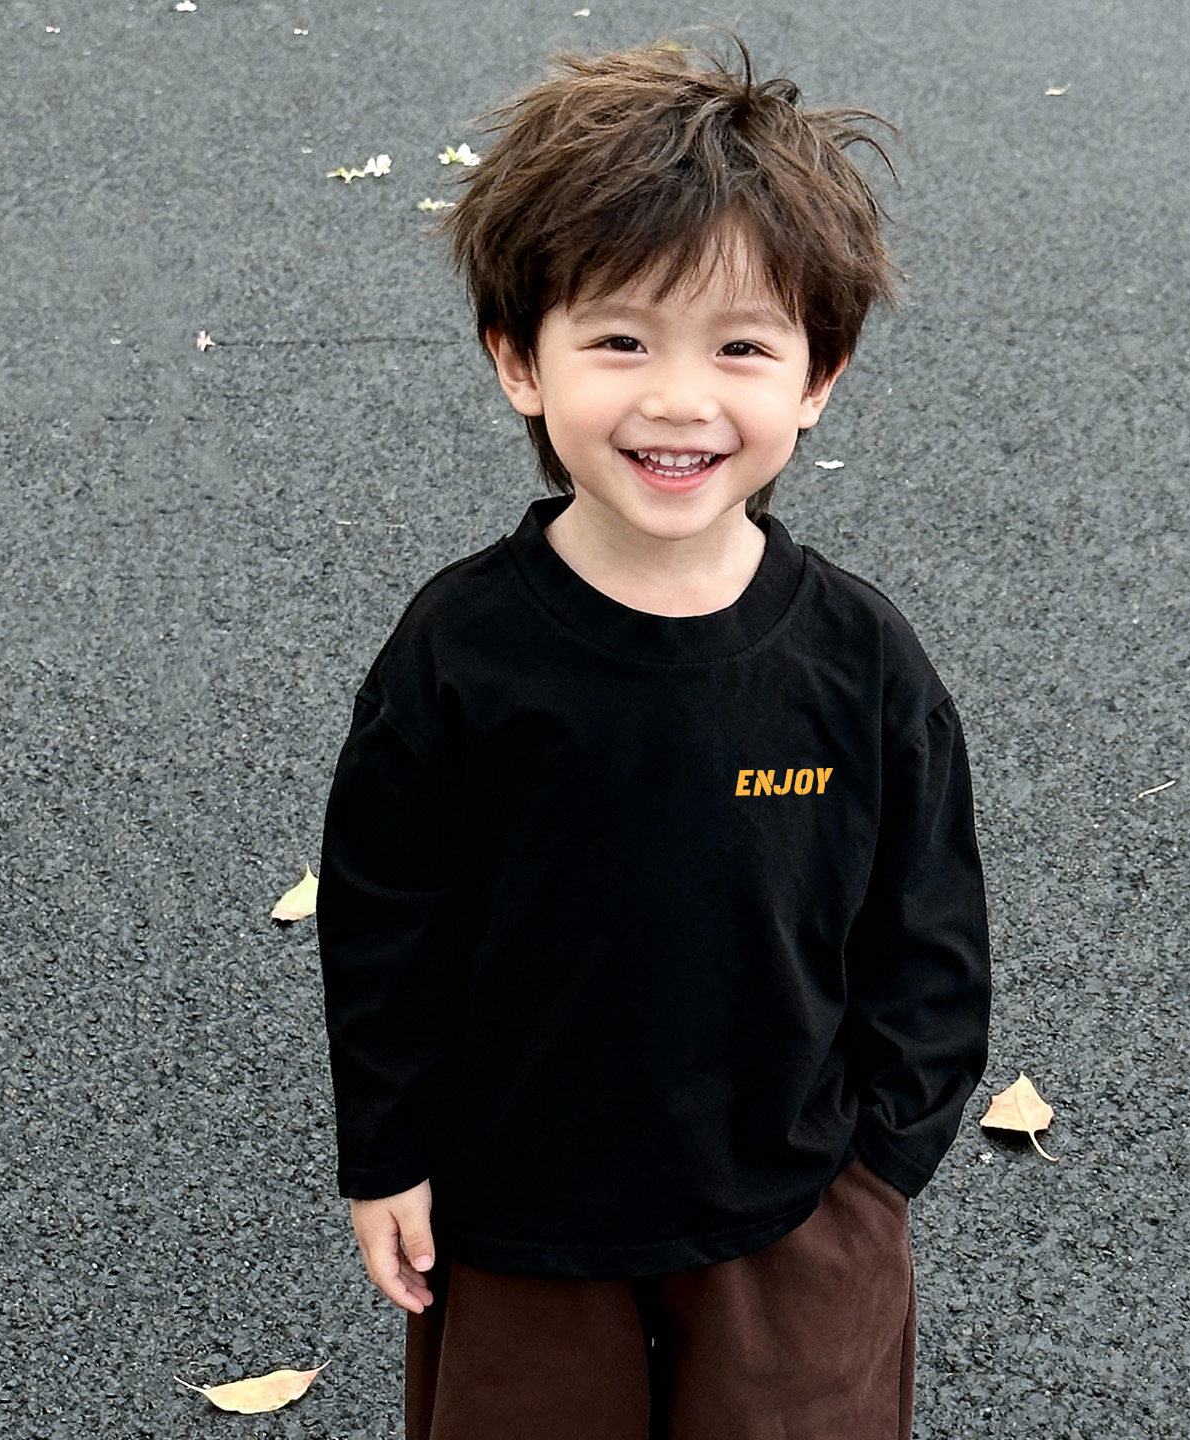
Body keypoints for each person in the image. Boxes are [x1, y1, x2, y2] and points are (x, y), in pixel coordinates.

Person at [317, 36, 991, 1440]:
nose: (680, 398)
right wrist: (386, 1152)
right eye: (621, 340)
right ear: (520, 359)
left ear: (818, 377)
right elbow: (387, 920)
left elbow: (928, 933)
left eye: (742, 347)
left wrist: (877, 1173)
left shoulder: (859, 662)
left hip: (794, 1219)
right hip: (518, 1218)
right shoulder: (460, 653)